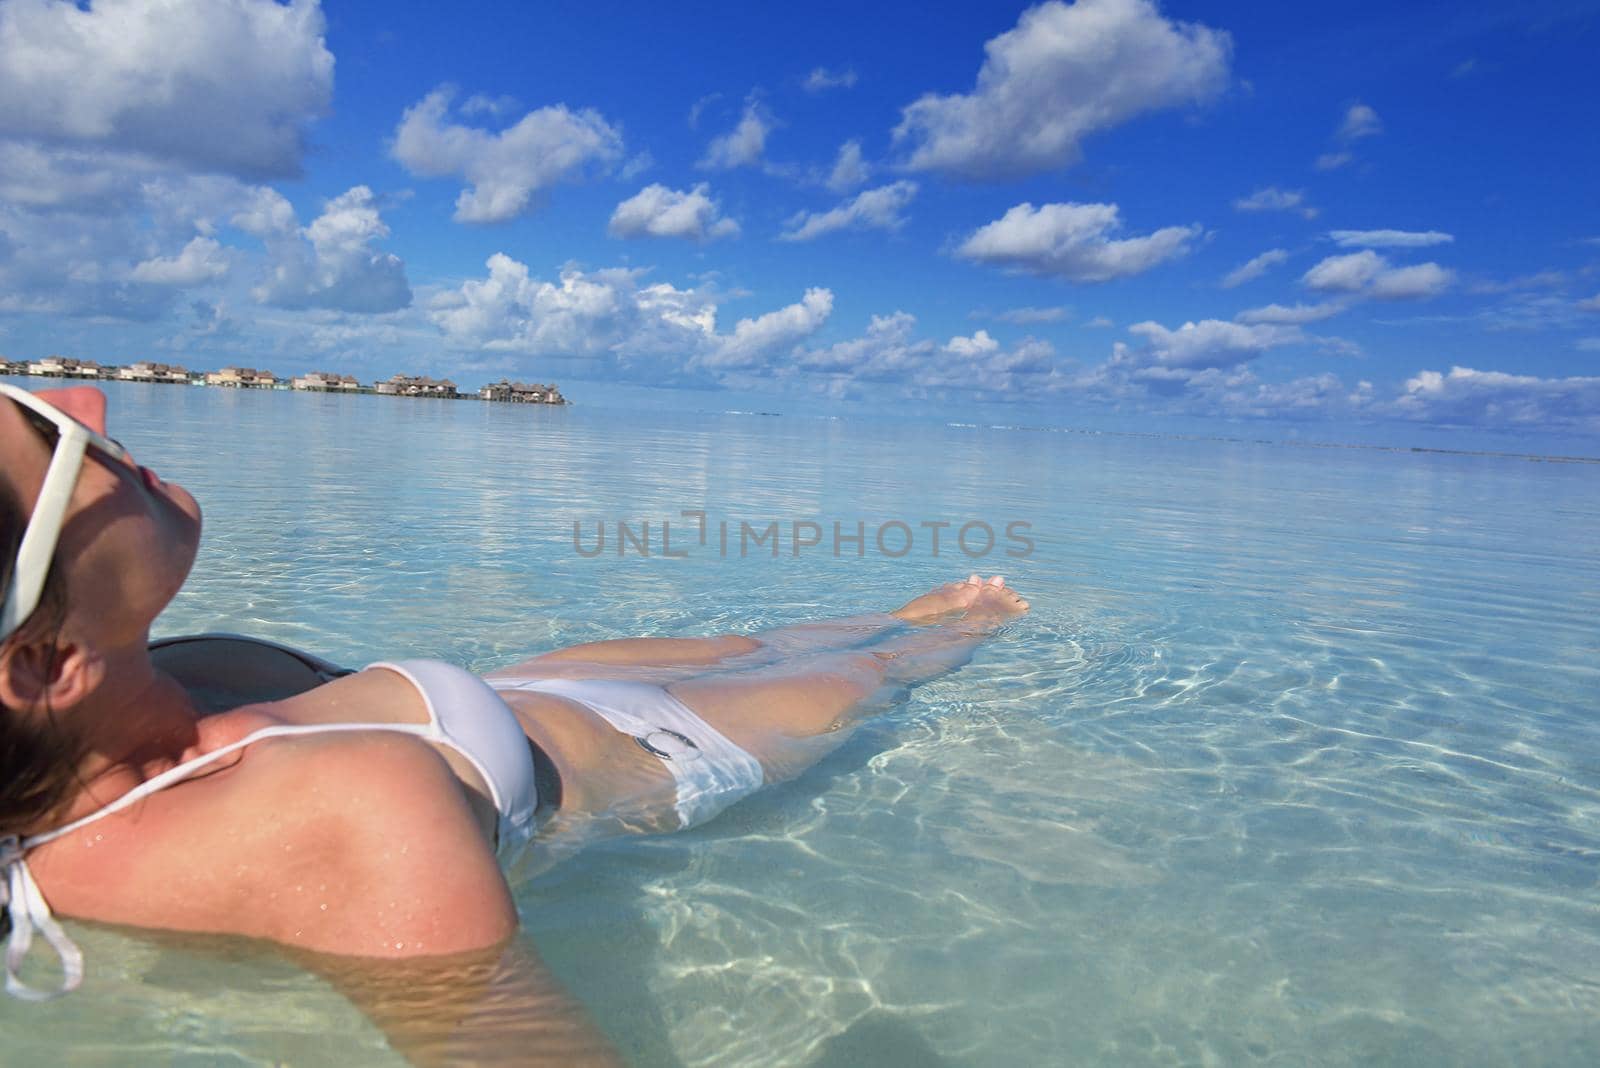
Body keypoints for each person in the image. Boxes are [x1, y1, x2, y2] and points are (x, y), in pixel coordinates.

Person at [0, 383, 1028, 1064]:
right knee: (889, 669)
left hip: (522, 688)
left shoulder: (121, 718)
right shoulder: (332, 821)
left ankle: (891, 614)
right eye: (55, 441)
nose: (85, 402)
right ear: (46, 664)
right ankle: (946, 624)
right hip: (648, 755)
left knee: (765, 638)